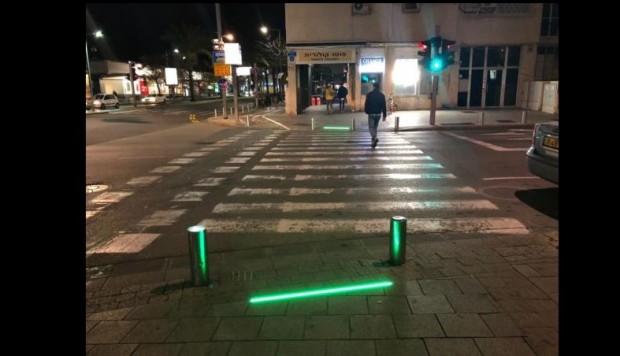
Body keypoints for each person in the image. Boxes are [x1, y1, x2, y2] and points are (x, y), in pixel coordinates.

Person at [364, 82, 387, 148]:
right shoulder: (382, 95)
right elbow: (384, 106)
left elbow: (366, 104)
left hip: (371, 114)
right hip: (378, 114)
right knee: (375, 127)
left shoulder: (369, 94)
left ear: (373, 87)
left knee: (371, 128)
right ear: (379, 87)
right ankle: (373, 143)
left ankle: (374, 138)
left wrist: (366, 111)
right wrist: (384, 115)